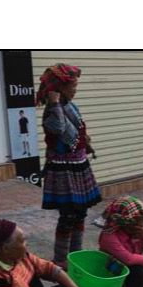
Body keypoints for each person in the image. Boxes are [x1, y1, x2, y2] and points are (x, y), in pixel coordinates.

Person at [36, 64, 102, 269]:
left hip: (78, 165)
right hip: (63, 168)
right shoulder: (52, 110)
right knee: (68, 215)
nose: (75, 89)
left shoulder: (71, 106)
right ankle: (61, 259)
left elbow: (78, 129)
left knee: (80, 212)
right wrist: (54, 103)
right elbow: (59, 128)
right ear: (59, 89)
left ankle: (76, 254)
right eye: (73, 86)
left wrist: (86, 142)